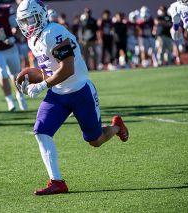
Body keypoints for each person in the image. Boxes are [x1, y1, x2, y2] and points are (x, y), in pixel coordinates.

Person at [16, 0, 129, 196]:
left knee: (95, 140)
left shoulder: (53, 33)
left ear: (41, 15)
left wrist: (42, 85)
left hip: (80, 91)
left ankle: (117, 126)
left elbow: (67, 69)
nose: (28, 26)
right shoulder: (33, 39)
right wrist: (35, 79)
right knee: (41, 131)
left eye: (30, 19)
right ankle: (57, 182)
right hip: (58, 94)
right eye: (24, 22)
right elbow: (49, 69)